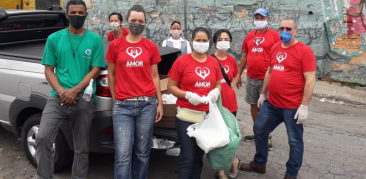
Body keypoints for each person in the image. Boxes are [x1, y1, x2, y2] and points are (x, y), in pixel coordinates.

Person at [239, 18, 316, 179]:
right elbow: (269, 72)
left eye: (289, 29)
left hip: (293, 107)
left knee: (294, 141)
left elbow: (310, 79)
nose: (284, 32)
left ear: (296, 31)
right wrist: (262, 94)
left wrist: (304, 105)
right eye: (281, 28)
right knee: (259, 129)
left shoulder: (304, 51)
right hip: (272, 103)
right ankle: (259, 163)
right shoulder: (275, 48)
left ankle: (291, 174)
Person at [36, 0, 105, 178]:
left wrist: (75, 90)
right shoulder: (54, 39)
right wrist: (62, 91)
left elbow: (95, 70)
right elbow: (49, 70)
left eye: (81, 13)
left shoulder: (95, 40)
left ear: (86, 16)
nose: (77, 16)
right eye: (73, 13)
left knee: (81, 147)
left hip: (84, 97)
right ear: (67, 15)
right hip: (57, 97)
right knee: (43, 137)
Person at [105, 4, 163, 179]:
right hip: (123, 107)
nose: (137, 23)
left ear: (145, 23)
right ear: (127, 22)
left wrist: (159, 103)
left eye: (141, 21)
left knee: (142, 153)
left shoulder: (151, 46)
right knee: (122, 156)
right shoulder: (115, 45)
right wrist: (116, 99)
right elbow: (112, 74)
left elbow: (155, 76)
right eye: (133, 20)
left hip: (147, 104)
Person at [167, 27, 222, 179]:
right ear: (191, 41)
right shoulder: (182, 61)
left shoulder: (213, 62)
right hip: (186, 115)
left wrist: (215, 91)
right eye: (198, 40)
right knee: (188, 158)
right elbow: (170, 86)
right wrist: (187, 94)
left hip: (206, 117)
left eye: (204, 40)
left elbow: (218, 83)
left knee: (198, 158)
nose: (201, 43)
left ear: (209, 42)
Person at [232, 7, 280, 151]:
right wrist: (239, 74)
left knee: (267, 107)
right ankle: (257, 130)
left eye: (262, 18)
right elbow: (245, 56)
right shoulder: (249, 35)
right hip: (252, 77)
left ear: (268, 19)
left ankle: (267, 135)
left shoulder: (274, 36)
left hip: (268, 78)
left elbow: (279, 55)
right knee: (253, 104)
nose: (259, 21)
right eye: (257, 18)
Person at [211, 29, 239, 179]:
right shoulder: (209, 59)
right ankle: (221, 170)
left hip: (230, 103)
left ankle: (233, 161)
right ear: (215, 42)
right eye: (220, 39)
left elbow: (236, 74)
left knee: (229, 136)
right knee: (217, 137)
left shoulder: (232, 60)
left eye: (226, 39)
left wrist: (231, 85)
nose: (223, 41)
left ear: (230, 42)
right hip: (215, 104)